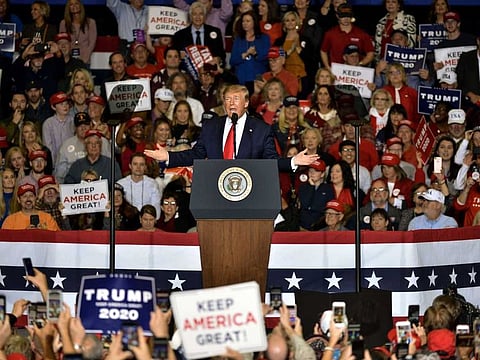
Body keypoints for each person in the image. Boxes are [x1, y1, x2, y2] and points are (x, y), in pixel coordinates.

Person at [144, 84, 319, 169]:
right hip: (216, 189)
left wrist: (293, 161)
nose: (231, 103)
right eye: (228, 99)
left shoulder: (261, 129)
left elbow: (270, 161)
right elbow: (196, 154)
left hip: (249, 191)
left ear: (246, 103)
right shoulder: (211, 126)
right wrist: (168, 156)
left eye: (236, 99)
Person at [55, 112, 110, 183]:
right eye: (80, 125)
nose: (83, 128)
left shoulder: (103, 142)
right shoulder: (66, 145)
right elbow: (60, 175)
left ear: (90, 125)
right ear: (75, 128)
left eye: (86, 124)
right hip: (75, 185)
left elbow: (110, 166)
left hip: (101, 182)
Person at [320, 3, 374, 70]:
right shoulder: (330, 33)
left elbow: (370, 52)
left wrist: (360, 64)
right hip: (336, 72)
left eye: (348, 15)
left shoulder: (361, 33)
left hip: (356, 72)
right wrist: (328, 67)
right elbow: (323, 51)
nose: (346, 18)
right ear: (337, 16)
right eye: (343, 16)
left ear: (352, 16)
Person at [230, 11, 270, 94]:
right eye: (243, 21)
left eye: (248, 21)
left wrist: (255, 54)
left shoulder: (264, 38)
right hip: (241, 80)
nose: (245, 24)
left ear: (254, 22)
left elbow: (267, 59)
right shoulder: (238, 40)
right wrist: (244, 55)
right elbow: (232, 61)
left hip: (257, 79)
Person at [117, 153, 161, 218]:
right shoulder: (120, 184)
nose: (138, 167)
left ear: (145, 167)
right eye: (135, 164)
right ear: (130, 166)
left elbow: (156, 206)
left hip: (147, 221)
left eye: (141, 164)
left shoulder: (152, 184)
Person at [297, 159, 334, 230]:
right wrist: (311, 187)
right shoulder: (303, 187)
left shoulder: (328, 189)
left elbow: (327, 208)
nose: (312, 173)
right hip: (302, 225)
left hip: (320, 226)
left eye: (316, 171)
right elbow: (305, 204)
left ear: (322, 174)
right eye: (310, 170)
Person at [304, 85, 342, 152]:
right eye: (320, 94)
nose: (322, 96)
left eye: (326, 94)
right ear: (316, 97)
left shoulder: (338, 115)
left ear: (330, 97)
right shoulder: (310, 115)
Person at [59, 0, 97, 65]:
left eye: (76, 3)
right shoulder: (63, 23)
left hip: (85, 60)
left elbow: (92, 44)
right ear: (68, 8)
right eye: (71, 4)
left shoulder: (90, 22)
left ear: (80, 5)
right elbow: (62, 42)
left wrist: (84, 60)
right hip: (68, 60)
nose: (74, 6)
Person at [42, 91, 75, 164]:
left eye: (66, 103)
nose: (65, 106)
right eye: (61, 104)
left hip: (73, 161)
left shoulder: (73, 121)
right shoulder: (48, 124)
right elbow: (48, 147)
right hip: (55, 164)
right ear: (53, 107)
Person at [456, 35, 480, 108]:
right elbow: (459, 82)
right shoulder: (465, 58)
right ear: (478, 41)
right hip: (469, 105)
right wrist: (470, 94)